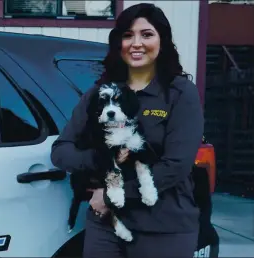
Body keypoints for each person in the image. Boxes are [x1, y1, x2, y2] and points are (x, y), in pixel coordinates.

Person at [51, 3, 204, 258]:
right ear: (118, 43)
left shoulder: (180, 93)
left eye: (146, 34)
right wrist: (102, 159)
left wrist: (111, 194)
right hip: (106, 227)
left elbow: (176, 165)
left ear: (162, 41)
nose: (136, 43)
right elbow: (61, 151)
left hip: (163, 227)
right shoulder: (99, 94)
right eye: (127, 35)